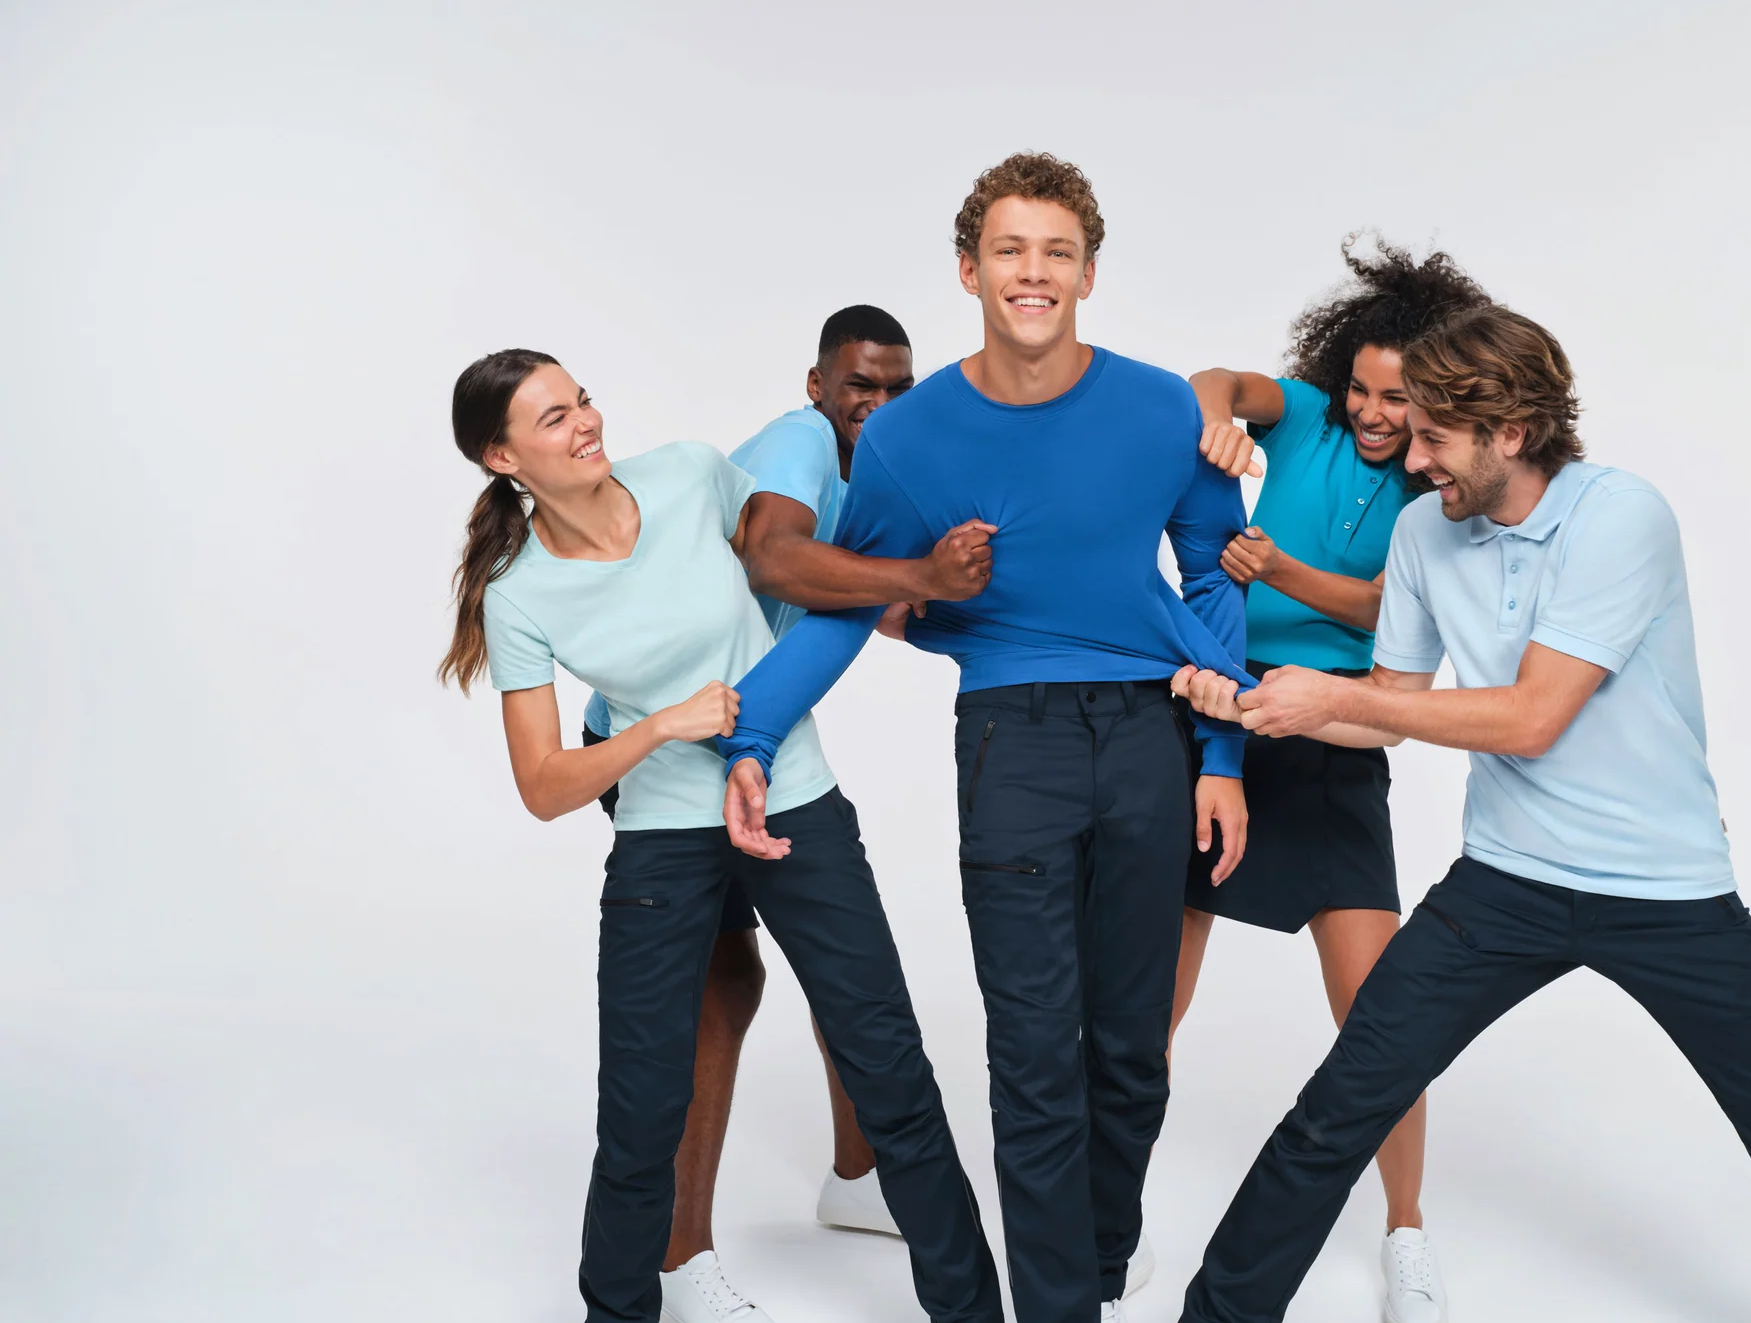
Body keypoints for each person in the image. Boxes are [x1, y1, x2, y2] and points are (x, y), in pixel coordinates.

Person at [1171, 307, 1751, 1323]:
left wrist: (1335, 699)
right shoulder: (1424, 530)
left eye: (1433, 437)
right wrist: (1254, 707)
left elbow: (1532, 717)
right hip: (1503, 885)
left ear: (1510, 431)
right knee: (1334, 1113)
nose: (1412, 458)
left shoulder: (1619, 516)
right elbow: (1388, 712)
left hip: (1665, 891)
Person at [714, 152, 1255, 1323]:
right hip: (1014, 745)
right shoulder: (909, 437)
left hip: (1151, 736)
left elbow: (1214, 576)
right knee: (1033, 1051)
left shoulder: (1162, 408)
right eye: (1010, 249)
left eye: (1057, 251)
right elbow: (850, 602)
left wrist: (1222, 757)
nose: (1033, 272)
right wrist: (747, 735)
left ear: (1088, 274)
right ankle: (1058, 1307)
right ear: (969, 270)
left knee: (1128, 1050)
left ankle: (1095, 1265)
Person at [438, 349, 1003, 1323]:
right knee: (639, 1111)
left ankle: (969, 1310)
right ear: (502, 457)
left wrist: (919, 592)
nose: (586, 423)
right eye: (553, 418)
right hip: (661, 831)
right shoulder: (519, 593)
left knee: (889, 1069)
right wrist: (660, 726)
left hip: (793, 796)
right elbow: (542, 786)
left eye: (582, 400)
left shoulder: (689, 473)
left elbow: (800, 569)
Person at [577, 305, 993, 1263]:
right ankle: (679, 1256)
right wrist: (917, 573)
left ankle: (859, 1178)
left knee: (840, 971)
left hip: (751, 744)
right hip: (670, 749)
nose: (878, 403)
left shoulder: (878, 466)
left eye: (897, 388)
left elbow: (863, 594)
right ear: (818, 386)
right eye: (860, 385)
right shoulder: (799, 443)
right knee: (727, 983)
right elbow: (771, 555)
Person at [1172, 238, 1490, 1323]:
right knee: (1148, 997)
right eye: (1360, 388)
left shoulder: (1438, 489)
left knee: (1378, 1015)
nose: (1371, 412)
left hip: (1337, 731)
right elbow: (1218, 382)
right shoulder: (1304, 412)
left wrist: (1281, 569)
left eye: (1396, 398)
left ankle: (1405, 1230)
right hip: (1221, 714)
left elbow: (1391, 609)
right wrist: (1214, 417)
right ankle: (1102, 1210)